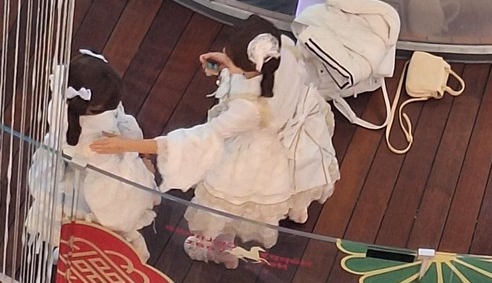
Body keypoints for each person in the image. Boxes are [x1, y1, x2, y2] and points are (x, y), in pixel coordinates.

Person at [90, 15, 340, 260]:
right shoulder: (279, 48)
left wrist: (127, 145)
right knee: (285, 184)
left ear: (249, 68)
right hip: (287, 124)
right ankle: (293, 211)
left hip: (252, 155)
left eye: (230, 58)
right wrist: (229, 63)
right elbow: (258, 78)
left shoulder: (248, 109)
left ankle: (218, 250)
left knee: (222, 207)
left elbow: (195, 139)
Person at [25, 50, 159, 261]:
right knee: (105, 221)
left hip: (81, 167)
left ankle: (74, 251)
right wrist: (137, 157)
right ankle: (91, 256)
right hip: (99, 179)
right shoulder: (93, 136)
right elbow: (113, 198)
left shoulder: (66, 108)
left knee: (69, 220)